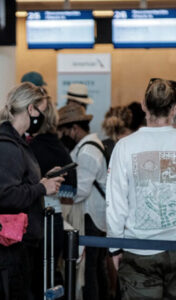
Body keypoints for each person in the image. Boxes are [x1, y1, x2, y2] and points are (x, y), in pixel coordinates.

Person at [106, 79, 176, 299]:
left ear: (144, 104)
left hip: (138, 248)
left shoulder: (125, 146)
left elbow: (115, 203)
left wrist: (115, 246)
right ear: (174, 108)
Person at [0, 82, 64, 300]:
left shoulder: (13, 144)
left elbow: (14, 186)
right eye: (42, 110)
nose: (44, 117)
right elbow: (3, 195)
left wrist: (41, 182)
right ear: (31, 109)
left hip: (14, 245)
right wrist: (42, 187)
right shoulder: (6, 147)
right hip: (8, 249)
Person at [57, 103, 109, 300]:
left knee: (90, 271)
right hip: (95, 216)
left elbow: (81, 191)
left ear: (74, 129)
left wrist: (56, 193)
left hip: (90, 216)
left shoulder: (87, 151)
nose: (63, 136)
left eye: (64, 131)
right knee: (96, 268)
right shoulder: (90, 145)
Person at [29, 98, 77, 292]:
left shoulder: (33, 147)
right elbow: (71, 192)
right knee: (51, 274)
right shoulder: (58, 147)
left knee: (37, 275)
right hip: (56, 217)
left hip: (40, 218)